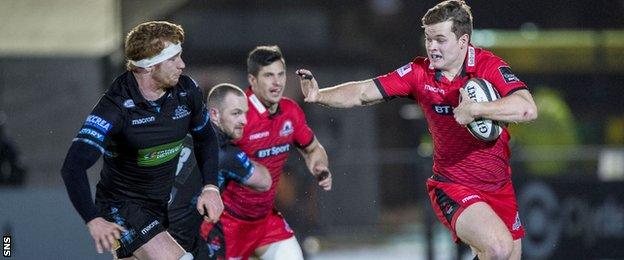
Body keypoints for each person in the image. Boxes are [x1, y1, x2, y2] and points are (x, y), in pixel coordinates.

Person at [297, 1, 538, 259]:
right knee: (498, 247)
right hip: (453, 187)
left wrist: (477, 109)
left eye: (440, 40)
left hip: (499, 186)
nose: (432, 47)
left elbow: (527, 109)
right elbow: (363, 92)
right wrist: (319, 95)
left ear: (463, 41)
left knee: (507, 254)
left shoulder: (488, 66)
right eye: (428, 38)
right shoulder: (418, 73)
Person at [60, 21, 223, 259]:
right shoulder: (115, 107)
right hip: (120, 208)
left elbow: (205, 136)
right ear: (148, 66)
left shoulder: (187, 91)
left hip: (158, 208)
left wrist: (210, 187)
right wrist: (93, 218)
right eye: (173, 59)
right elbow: (73, 166)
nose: (182, 64)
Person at [200, 45, 332, 260]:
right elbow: (207, 154)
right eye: (269, 75)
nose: (277, 82)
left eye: (280, 74)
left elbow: (313, 148)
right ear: (252, 80)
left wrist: (319, 165)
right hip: (227, 223)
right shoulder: (239, 115)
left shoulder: (290, 111)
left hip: (265, 220)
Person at [168, 83, 272, 258]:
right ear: (214, 114)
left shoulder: (181, 130)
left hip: (147, 234)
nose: (244, 121)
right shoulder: (225, 154)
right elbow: (264, 182)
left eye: (245, 113)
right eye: (236, 113)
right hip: (176, 246)